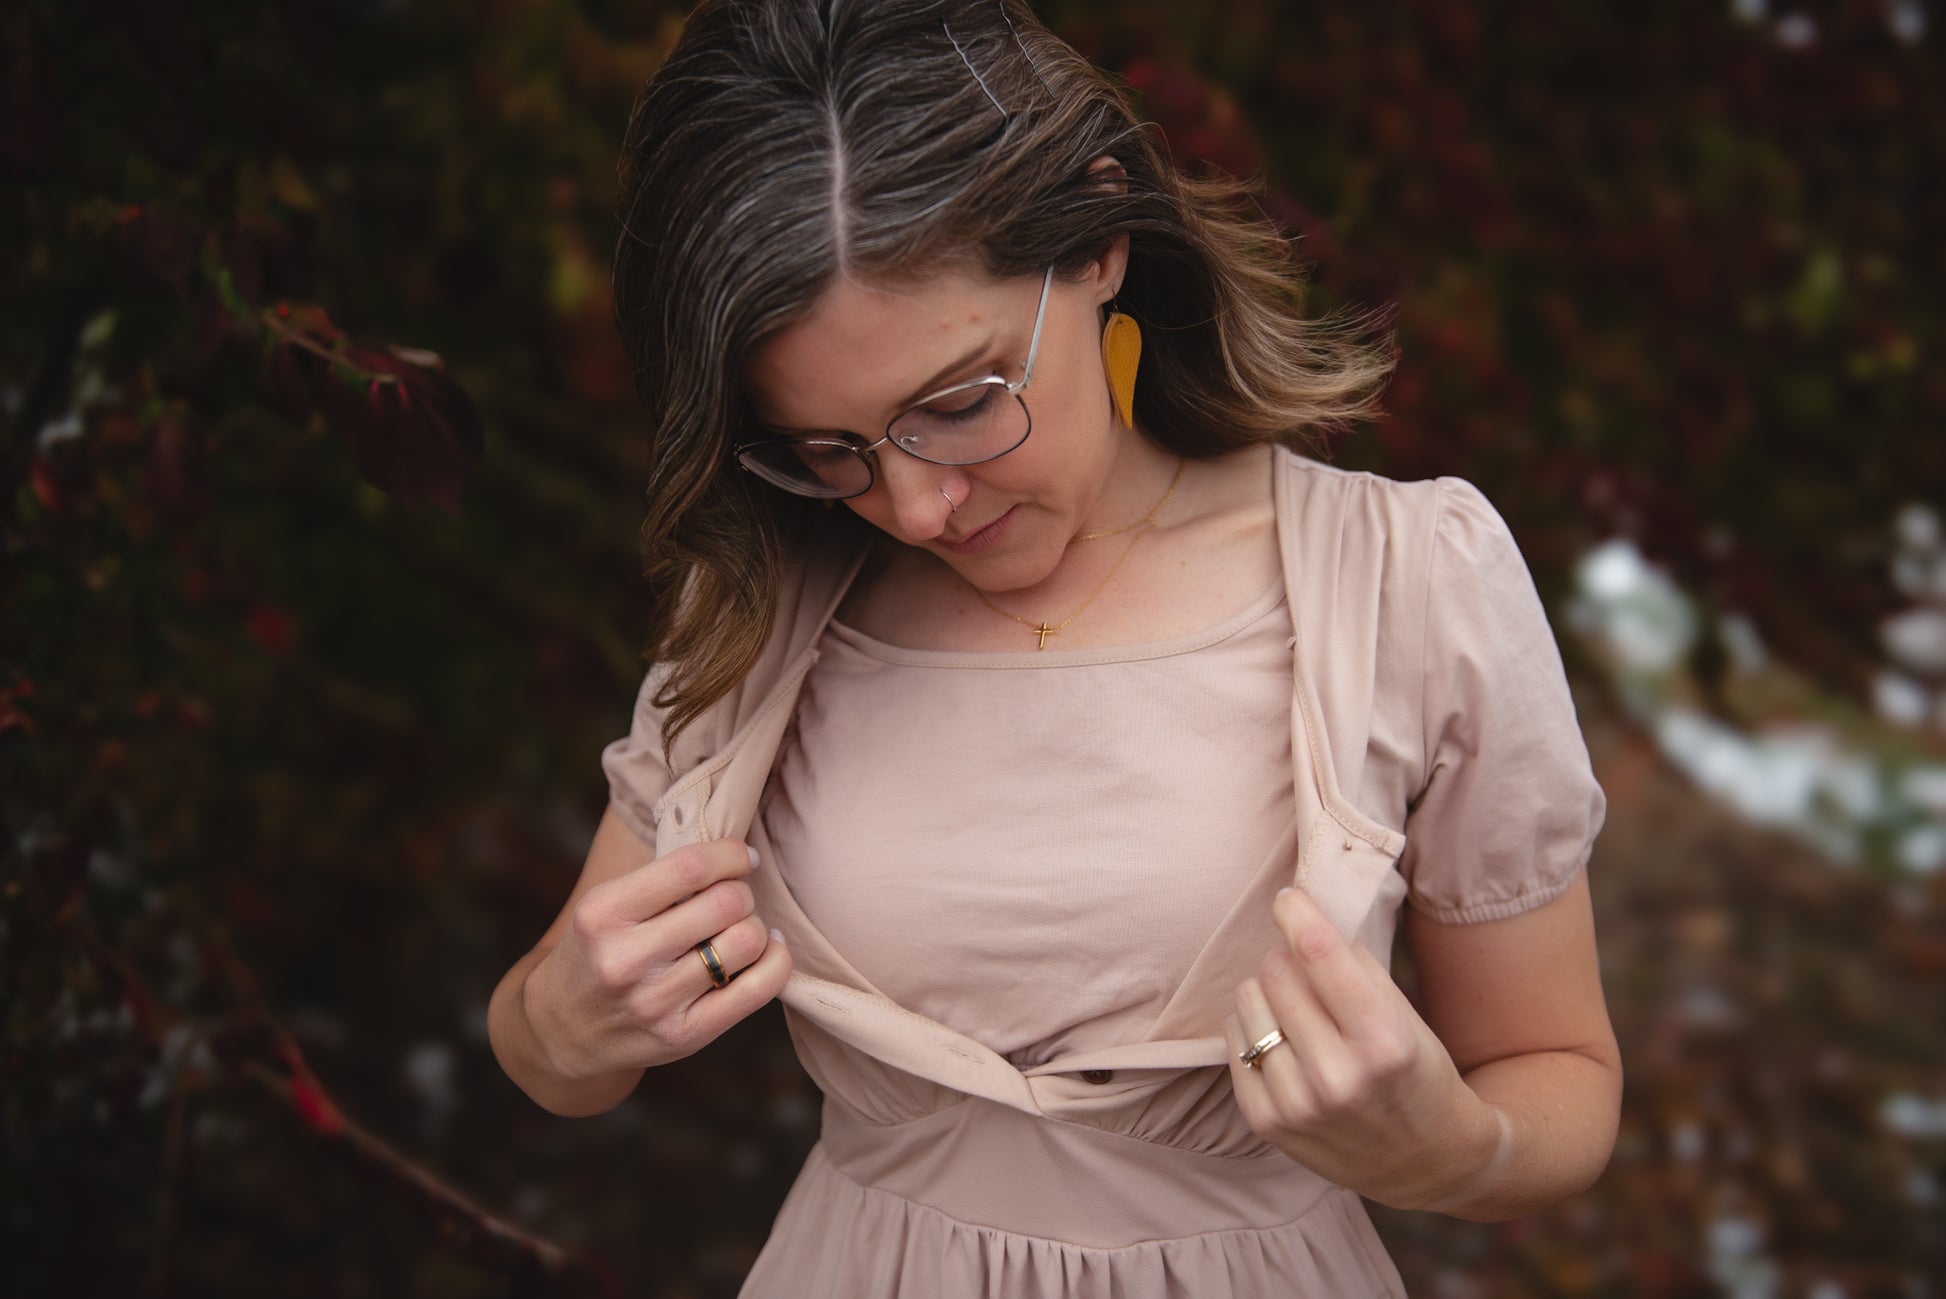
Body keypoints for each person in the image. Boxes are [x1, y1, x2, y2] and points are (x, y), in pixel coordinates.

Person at [487, 0, 1623, 1293]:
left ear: (1099, 239)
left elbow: (1562, 1081)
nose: (913, 507)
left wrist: (1452, 1153)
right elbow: (546, 1044)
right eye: (828, 447)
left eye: (960, 404)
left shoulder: (1404, 582)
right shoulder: (763, 603)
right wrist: (561, 1029)